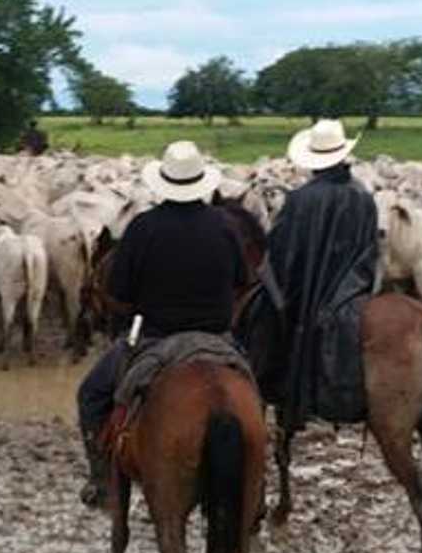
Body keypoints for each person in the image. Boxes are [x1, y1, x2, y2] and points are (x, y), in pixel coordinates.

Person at [76, 140, 245, 507]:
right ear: (201, 181)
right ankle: (256, 489)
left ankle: (102, 480)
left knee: (90, 394)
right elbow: (241, 281)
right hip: (218, 339)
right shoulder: (226, 225)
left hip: (155, 339)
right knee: (255, 395)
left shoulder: (142, 227)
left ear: (164, 183)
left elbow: (119, 290)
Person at [260, 118, 379, 430]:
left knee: (265, 321)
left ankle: (279, 389)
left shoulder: (300, 199)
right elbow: (370, 250)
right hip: (351, 287)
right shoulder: (363, 196)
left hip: (307, 290)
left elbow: (281, 251)